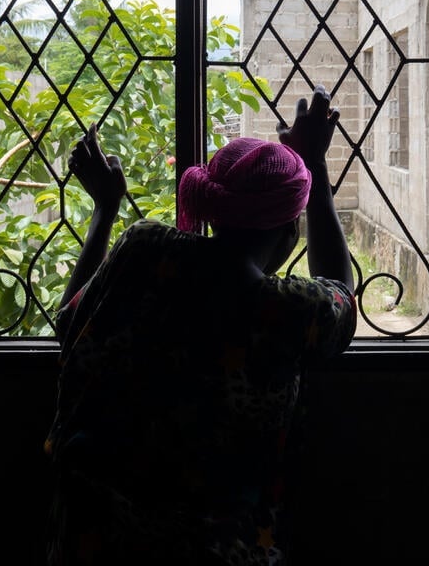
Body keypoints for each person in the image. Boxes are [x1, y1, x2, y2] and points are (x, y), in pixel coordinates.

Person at [44, 86, 357, 565]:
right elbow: (339, 287)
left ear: (212, 208)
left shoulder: (145, 250)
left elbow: (71, 325)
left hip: (95, 537)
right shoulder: (291, 312)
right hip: (223, 551)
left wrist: (105, 210)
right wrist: (313, 166)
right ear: (291, 232)